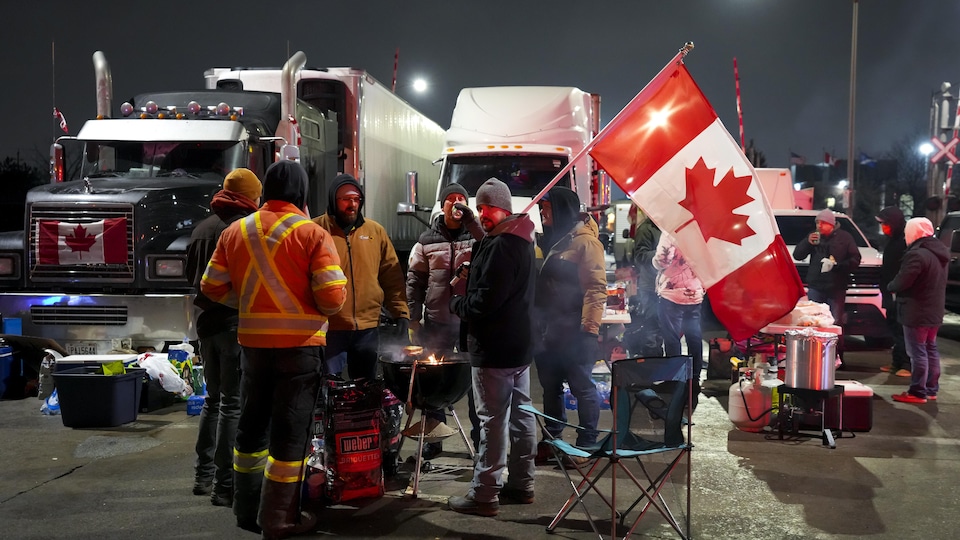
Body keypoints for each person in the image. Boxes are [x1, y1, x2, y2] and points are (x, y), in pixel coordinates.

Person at [201, 160, 347, 538]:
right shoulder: (312, 234)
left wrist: (252, 304)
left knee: (250, 429)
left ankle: (245, 509)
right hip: (299, 349)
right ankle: (279, 519)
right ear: (301, 192)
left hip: (253, 347)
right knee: (289, 432)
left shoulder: (236, 231)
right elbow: (332, 298)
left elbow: (211, 287)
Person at [447, 178, 537, 517]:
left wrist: (457, 304)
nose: (482, 214)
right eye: (480, 208)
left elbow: (484, 301)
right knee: (523, 416)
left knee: (492, 421)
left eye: (486, 209)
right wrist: (473, 222)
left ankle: (484, 493)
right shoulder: (520, 238)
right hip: (518, 347)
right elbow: (491, 239)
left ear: (503, 209)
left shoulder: (500, 248)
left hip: (493, 348)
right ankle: (523, 483)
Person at [187, 167, 261, 507]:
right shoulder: (242, 230)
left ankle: (202, 477)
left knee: (212, 401)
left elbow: (192, 279)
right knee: (232, 403)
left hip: (205, 326)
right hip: (233, 324)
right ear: (248, 197)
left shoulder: (201, 228)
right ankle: (223, 484)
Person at [405, 183, 483, 459]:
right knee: (434, 381)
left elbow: (491, 258)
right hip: (437, 321)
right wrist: (414, 320)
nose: (457, 203)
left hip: (468, 321)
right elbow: (414, 281)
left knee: (475, 381)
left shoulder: (477, 237)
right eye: (451, 199)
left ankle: (479, 438)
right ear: (443, 205)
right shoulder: (426, 241)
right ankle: (434, 438)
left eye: (462, 198)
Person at [533, 186, 606, 463]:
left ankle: (587, 444)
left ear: (561, 208)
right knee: (550, 388)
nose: (542, 212)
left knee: (582, 387)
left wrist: (589, 331)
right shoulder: (553, 240)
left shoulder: (585, 242)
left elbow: (596, 289)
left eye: (547, 207)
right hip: (549, 331)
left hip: (573, 332)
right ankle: (553, 439)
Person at [314, 173, 409, 380]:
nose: (352, 205)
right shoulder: (316, 231)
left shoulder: (376, 232)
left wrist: (401, 313)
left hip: (367, 329)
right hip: (330, 328)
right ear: (333, 200)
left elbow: (392, 277)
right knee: (329, 388)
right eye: (346, 199)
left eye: (356, 200)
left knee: (365, 389)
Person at [889, 218, 948, 404]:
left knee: (918, 352)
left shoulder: (917, 255)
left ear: (914, 232)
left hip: (917, 311)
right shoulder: (939, 252)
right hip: (933, 310)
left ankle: (918, 391)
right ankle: (931, 389)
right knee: (930, 349)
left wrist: (891, 286)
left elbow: (903, 281)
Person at [653, 232, 704, 410]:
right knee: (694, 337)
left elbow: (663, 260)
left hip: (671, 294)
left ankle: (676, 381)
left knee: (673, 339)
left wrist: (655, 262)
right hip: (695, 293)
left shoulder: (671, 231)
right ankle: (695, 380)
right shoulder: (698, 230)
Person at [791, 209, 861, 327]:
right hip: (816, 287)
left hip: (836, 286)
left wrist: (838, 266)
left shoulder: (845, 237)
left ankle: (836, 345)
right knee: (815, 320)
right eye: (817, 222)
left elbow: (855, 259)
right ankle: (816, 345)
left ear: (831, 224)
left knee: (835, 321)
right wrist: (807, 243)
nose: (819, 225)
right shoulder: (813, 236)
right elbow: (797, 256)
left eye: (823, 223)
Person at [875, 206, 911, 377]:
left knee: (902, 329)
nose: (883, 228)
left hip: (900, 291)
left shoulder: (905, 241)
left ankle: (906, 363)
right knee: (893, 327)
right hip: (889, 290)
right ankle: (897, 362)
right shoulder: (892, 240)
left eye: (885, 224)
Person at [629, 211, 663, 357]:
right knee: (652, 324)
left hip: (668, 287)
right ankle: (652, 360)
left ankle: (662, 360)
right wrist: (662, 254)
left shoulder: (670, 229)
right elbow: (640, 256)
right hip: (650, 286)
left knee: (662, 327)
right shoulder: (646, 229)